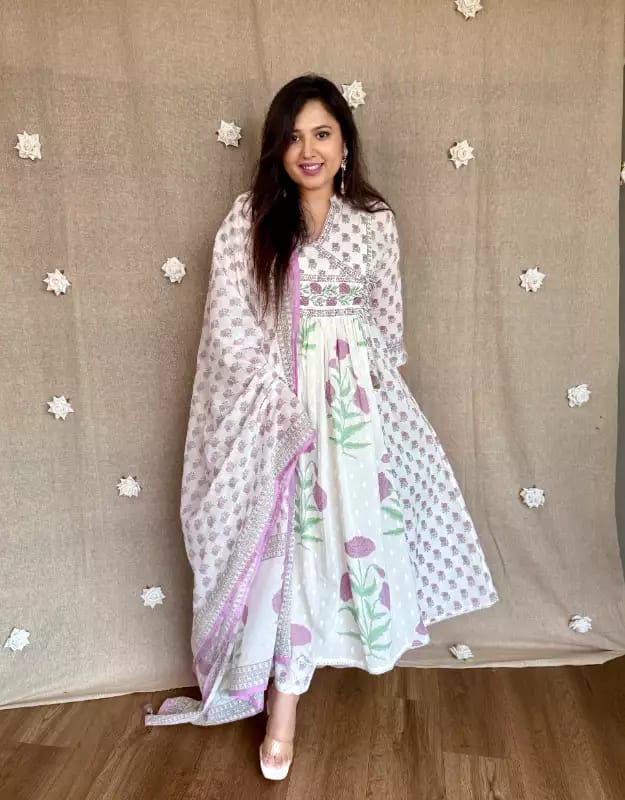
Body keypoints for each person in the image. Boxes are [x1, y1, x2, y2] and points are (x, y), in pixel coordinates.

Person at [143, 74, 499, 782]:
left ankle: (312, 677)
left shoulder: (374, 222)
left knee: (349, 544)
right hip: (276, 407)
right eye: (293, 137)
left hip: (357, 412)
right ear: (276, 149)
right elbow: (228, 325)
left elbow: (387, 325)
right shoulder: (248, 220)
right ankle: (282, 715)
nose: (307, 149)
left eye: (321, 134)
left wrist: (379, 412)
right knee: (289, 557)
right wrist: (277, 401)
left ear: (344, 144)